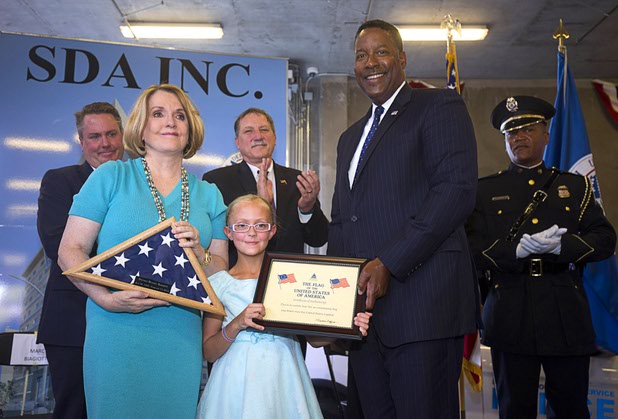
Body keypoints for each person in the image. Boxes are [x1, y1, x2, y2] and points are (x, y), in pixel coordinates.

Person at [328, 20, 479, 418]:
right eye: (361, 55)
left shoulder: (438, 106)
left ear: (402, 59)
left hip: (422, 308)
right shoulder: (350, 138)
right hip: (364, 318)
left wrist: (389, 263)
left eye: (381, 51)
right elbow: (343, 220)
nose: (370, 62)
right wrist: (332, 303)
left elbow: (455, 192)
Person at [58, 84, 228, 418]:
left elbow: (220, 267)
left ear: (191, 127)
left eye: (180, 115)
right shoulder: (111, 176)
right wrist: (107, 298)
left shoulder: (209, 195)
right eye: (159, 114)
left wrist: (201, 254)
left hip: (180, 338)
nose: (171, 122)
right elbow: (70, 250)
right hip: (113, 330)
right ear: (141, 127)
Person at [465, 95, 617, 419]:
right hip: (510, 310)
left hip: (564, 309)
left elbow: (605, 239)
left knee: (570, 409)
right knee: (514, 409)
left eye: (528, 128)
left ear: (546, 135)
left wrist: (564, 248)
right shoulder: (485, 191)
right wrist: (513, 251)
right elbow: (470, 248)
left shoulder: (574, 187)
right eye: (511, 132)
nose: (519, 137)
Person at [196, 194, 372, 418]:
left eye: (260, 225)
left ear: (272, 231)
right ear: (228, 232)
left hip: (284, 379)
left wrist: (351, 324)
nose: (251, 232)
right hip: (234, 384)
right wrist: (237, 324)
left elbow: (315, 339)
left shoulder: (292, 278)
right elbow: (209, 352)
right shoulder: (218, 284)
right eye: (242, 225)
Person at [36, 102, 124, 419]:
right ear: (81, 141)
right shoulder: (60, 181)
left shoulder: (141, 184)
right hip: (73, 324)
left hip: (131, 322)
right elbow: (57, 245)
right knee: (75, 411)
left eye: (111, 134)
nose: (105, 143)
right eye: (95, 136)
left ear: (122, 135)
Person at [202, 108, 328, 266]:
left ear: (274, 138)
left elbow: (319, 239)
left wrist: (307, 209)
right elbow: (215, 241)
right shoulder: (217, 181)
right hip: (239, 281)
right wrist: (263, 204)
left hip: (289, 280)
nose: (258, 136)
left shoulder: (298, 180)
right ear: (237, 143)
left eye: (264, 130)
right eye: (249, 131)